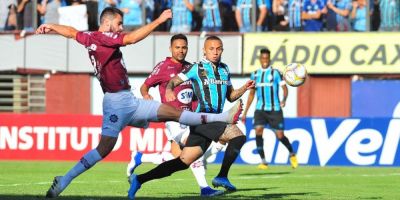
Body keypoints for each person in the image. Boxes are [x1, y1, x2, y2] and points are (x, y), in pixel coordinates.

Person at [36, 7, 242, 198]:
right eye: (119, 23)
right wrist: (159, 20)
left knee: (110, 145)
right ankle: (222, 119)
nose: (121, 27)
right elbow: (132, 38)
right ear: (107, 24)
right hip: (120, 102)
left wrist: (52, 26)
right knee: (167, 119)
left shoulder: (89, 37)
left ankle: (64, 181)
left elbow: (72, 32)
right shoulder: (105, 37)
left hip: (122, 100)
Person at [127, 35, 255, 199]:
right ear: (204, 51)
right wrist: (168, 89)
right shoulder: (197, 68)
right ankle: (222, 176)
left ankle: (139, 179)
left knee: (182, 162)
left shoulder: (225, 69)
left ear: (222, 50)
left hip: (208, 122)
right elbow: (173, 81)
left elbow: (230, 96)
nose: (215, 52)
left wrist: (244, 88)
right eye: (211, 49)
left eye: (218, 49)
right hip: (203, 118)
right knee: (238, 136)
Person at [241, 48, 298, 170]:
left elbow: (285, 88)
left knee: (280, 135)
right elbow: (251, 94)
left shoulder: (276, 73)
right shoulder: (255, 75)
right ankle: (263, 161)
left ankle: (292, 154)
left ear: (269, 59)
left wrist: (284, 100)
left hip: (274, 109)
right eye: (263, 58)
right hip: (260, 109)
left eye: (267, 58)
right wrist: (245, 112)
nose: (265, 61)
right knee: (258, 131)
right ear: (260, 59)